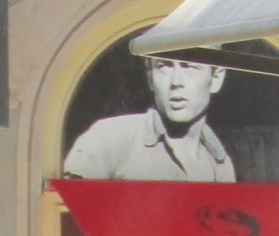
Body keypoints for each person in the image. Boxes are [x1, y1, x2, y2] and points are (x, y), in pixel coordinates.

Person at [63, 57, 236, 183]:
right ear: (150, 77)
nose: (176, 82)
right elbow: (62, 219)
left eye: (188, 66)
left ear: (216, 77)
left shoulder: (220, 164)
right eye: (164, 66)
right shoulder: (108, 139)